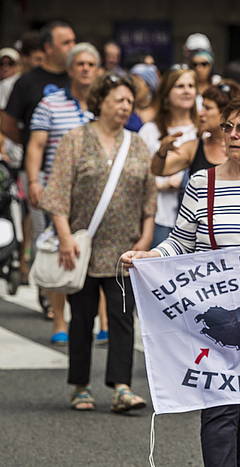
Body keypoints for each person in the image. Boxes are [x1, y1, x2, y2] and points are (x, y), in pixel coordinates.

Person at [120, 93, 240, 467]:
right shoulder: (203, 181)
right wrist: (149, 257)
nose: (231, 134)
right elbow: (180, 241)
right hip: (215, 311)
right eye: (227, 126)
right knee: (219, 407)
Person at [39, 73, 156, 412]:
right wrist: (64, 238)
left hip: (124, 250)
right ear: (100, 101)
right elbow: (57, 194)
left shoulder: (137, 143)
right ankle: (80, 385)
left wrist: (146, 237)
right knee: (82, 317)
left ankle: (121, 387)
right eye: (118, 100)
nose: (125, 107)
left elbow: (149, 198)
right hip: (82, 248)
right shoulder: (75, 139)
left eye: (129, 102)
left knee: (122, 318)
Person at [26, 42, 100, 345]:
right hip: (58, 190)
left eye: (90, 64)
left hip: (97, 193)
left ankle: (103, 320)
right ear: (70, 69)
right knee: (60, 252)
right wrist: (33, 181)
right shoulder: (50, 103)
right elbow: (36, 145)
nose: (85, 69)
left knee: (99, 255)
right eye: (79, 64)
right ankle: (59, 318)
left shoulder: (104, 106)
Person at [138, 67, 198, 246]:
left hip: (196, 221)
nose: (187, 90)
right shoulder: (149, 131)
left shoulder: (203, 133)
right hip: (160, 218)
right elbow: (138, 176)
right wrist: (164, 183)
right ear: (166, 94)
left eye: (191, 85)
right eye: (179, 86)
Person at [1, 20, 75, 147]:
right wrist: (30, 143)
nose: (72, 47)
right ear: (48, 47)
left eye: (73, 41)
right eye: (66, 43)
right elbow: (7, 125)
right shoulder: (27, 81)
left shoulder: (77, 79)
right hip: (36, 163)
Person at [151, 80, 240, 177]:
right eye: (202, 106)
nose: (201, 113)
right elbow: (158, 170)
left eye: (207, 108)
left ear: (226, 114)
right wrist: (162, 152)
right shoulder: (194, 148)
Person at [126, 63, 159, 131]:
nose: (133, 90)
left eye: (137, 87)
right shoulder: (126, 109)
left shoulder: (159, 112)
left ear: (149, 86)